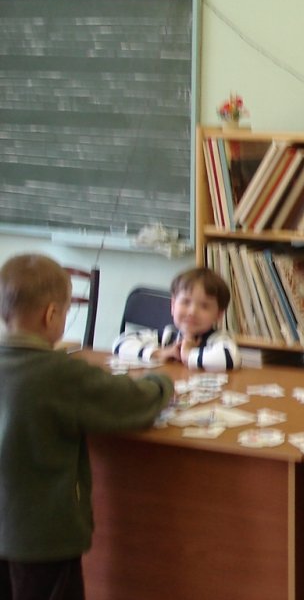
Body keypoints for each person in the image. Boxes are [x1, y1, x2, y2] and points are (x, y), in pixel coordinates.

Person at [0, 253, 174, 600]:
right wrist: (163, 383)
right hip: (44, 540)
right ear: (51, 314)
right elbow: (132, 403)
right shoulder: (61, 374)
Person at [113, 266, 241, 371]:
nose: (192, 312)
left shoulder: (218, 339)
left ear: (219, 315)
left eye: (204, 306)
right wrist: (160, 353)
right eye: (185, 302)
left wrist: (188, 354)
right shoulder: (168, 335)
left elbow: (230, 358)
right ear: (173, 306)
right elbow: (119, 343)